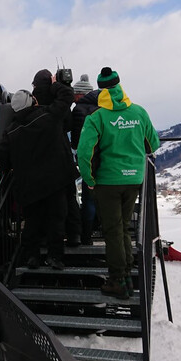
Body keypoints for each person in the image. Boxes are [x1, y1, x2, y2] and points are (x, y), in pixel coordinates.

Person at [76, 67, 160, 299]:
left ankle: (118, 281)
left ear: (101, 88)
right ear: (119, 85)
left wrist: (90, 180)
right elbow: (153, 144)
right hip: (134, 178)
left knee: (113, 230)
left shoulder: (97, 117)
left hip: (107, 181)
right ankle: (127, 266)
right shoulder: (139, 112)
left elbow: (83, 153)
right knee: (123, 226)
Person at [0, 78, 77, 270]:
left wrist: (10, 168)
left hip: (28, 186)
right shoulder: (47, 117)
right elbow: (67, 96)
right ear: (33, 102)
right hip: (54, 182)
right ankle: (55, 257)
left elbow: (1, 156)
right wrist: (55, 84)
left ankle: (32, 256)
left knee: (32, 222)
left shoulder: (12, 131)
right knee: (56, 220)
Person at [32, 69, 82, 247]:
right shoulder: (57, 103)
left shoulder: (33, 103)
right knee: (69, 197)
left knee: (44, 202)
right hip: (61, 157)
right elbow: (68, 124)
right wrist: (57, 86)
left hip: (39, 158)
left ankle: (46, 237)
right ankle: (74, 234)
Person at [71, 74, 103, 245]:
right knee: (105, 198)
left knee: (89, 198)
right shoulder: (104, 107)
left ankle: (87, 236)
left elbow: (76, 140)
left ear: (81, 94)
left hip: (89, 160)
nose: (73, 97)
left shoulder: (79, 110)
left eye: (76, 93)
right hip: (106, 159)